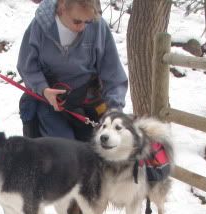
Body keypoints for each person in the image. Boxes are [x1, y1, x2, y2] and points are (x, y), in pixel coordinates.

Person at [17, 0, 128, 141]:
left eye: (86, 22)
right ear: (62, 6)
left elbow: (114, 76)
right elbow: (27, 66)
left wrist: (114, 111)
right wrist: (43, 89)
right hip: (51, 104)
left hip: (88, 102)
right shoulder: (40, 27)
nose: (82, 27)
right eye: (77, 21)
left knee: (94, 153)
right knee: (65, 151)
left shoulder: (97, 26)